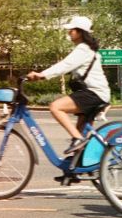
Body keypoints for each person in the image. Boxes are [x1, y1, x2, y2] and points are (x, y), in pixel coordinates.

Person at [26, 15, 111, 157]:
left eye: (71, 30)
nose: (69, 32)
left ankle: (78, 140)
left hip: (94, 93)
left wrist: (42, 75)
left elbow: (64, 65)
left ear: (80, 32)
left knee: (55, 107)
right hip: (95, 93)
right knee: (79, 132)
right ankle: (73, 171)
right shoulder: (86, 49)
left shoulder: (83, 49)